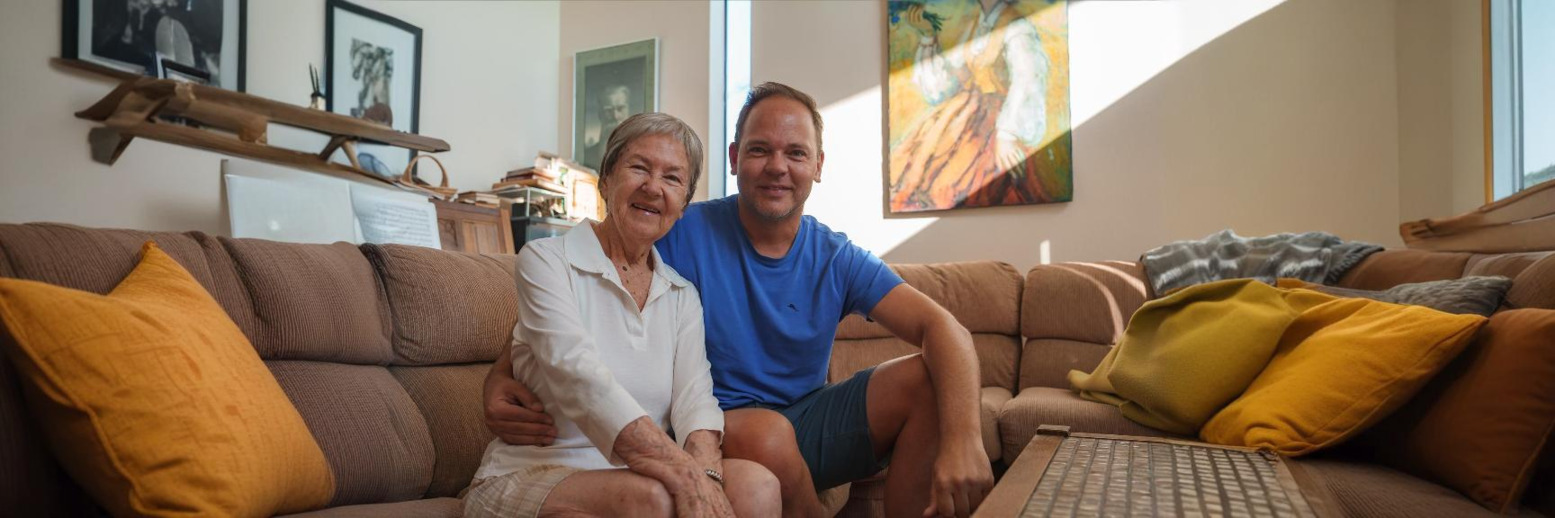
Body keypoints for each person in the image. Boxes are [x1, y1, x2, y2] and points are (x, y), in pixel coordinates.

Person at [486, 82, 994, 518]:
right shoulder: (679, 228)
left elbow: (943, 327)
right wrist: (500, 376)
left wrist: (964, 438)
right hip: (726, 428)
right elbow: (573, 314)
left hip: (805, 418)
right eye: (759, 150)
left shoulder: (836, 256)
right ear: (734, 160)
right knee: (768, 432)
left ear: (818, 165)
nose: (777, 167)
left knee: (929, 376)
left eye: (795, 153)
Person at [463, 113, 780, 518]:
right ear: (606, 179)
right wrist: (683, 475)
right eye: (639, 167)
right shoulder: (546, 261)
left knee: (758, 486)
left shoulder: (682, 294)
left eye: (672, 178)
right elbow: (578, 376)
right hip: (537, 471)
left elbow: (694, 400)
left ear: (683, 204)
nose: (653, 187)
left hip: (638, 473)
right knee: (652, 499)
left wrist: (706, 473)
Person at [889, 0, 1055, 211]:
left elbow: (1029, 79)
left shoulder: (1017, 28)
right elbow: (946, 85)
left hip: (1000, 119)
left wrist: (1008, 135)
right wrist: (928, 36)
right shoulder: (976, 24)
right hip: (966, 111)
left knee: (950, 184)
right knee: (915, 165)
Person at [583, 84, 633, 169]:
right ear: (600, 114)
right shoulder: (587, 154)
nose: (615, 116)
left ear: (629, 109)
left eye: (620, 108)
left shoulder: (644, 149)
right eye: (608, 111)